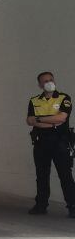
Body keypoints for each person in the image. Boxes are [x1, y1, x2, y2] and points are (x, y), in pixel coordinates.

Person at [26, 71, 75, 218]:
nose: (49, 82)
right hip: (41, 142)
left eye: (51, 80)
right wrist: (52, 123)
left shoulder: (63, 98)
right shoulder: (34, 100)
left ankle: (72, 206)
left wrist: (39, 120)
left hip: (60, 142)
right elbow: (30, 121)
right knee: (41, 175)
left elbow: (62, 117)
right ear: (40, 85)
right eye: (45, 81)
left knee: (65, 175)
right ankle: (41, 205)